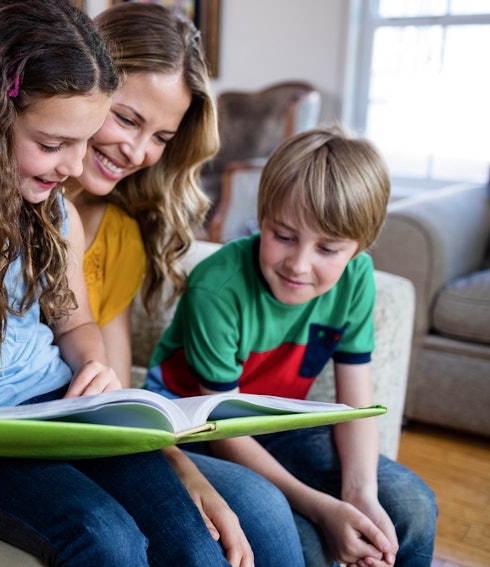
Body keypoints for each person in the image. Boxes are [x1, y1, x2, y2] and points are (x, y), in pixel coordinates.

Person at [0, 1, 234, 564]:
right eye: (53, 145)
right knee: (106, 538)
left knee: (191, 539)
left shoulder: (55, 215)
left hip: (62, 409)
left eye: (82, 142)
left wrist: (93, 365)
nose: (74, 168)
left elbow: (74, 321)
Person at [62, 3, 303, 565]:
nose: (138, 152)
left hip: (94, 433)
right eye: (126, 118)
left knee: (259, 512)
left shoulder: (119, 232)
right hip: (26, 431)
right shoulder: (2, 205)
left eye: (161, 136)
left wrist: (177, 464)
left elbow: (116, 392)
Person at [144, 125, 438, 566]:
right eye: (283, 236)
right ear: (262, 218)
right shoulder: (217, 288)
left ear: (359, 248)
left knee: (412, 509)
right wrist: (325, 507)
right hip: (197, 433)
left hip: (276, 426)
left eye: (328, 248)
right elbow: (225, 432)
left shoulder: (358, 279)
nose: (299, 265)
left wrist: (360, 495)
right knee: (308, 544)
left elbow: (354, 405)